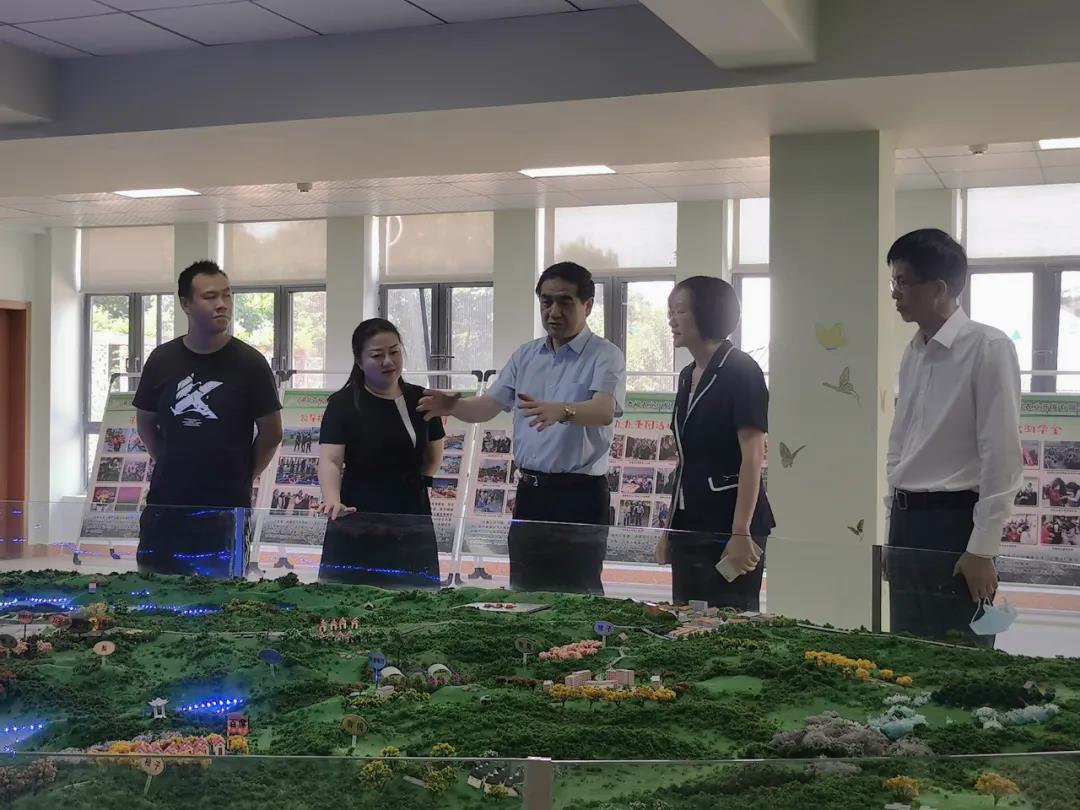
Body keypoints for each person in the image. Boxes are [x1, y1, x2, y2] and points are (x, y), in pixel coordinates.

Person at [419, 262, 625, 594]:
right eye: (546, 301)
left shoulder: (605, 355)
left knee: (580, 592)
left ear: (587, 305)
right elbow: (488, 406)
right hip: (531, 493)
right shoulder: (525, 356)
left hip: (580, 495)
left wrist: (561, 411)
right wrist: (453, 406)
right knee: (525, 589)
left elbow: (604, 411)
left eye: (565, 302)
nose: (553, 312)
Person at [886, 228, 1022, 647]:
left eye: (903, 282)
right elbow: (901, 440)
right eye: (893, 282)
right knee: (906, 647)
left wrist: (982, 548)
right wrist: (894, 518)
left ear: (940, 288)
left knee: (961, 652)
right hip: (907, 522)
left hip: (955, 523)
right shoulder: (914, 350)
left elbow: (1001, 455)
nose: (894, 293)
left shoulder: (988, 346)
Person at [134, 261, 282, 577]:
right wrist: (171, 460)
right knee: (154, 589)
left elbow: (272, 432)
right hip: (167, 504)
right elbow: (145, 424)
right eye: (210, 296)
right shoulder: (161, 360)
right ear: (186, 304)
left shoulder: (250, 363)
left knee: (223, 595)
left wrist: (244, 474)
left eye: (227, 295)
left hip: (226, 508)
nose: (222, 304)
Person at [657, 276, 775, 610]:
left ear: (707, 313)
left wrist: (741, 531)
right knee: (685, 617)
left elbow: (753, 456)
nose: (672, 320)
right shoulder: (687, 375)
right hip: (689, 521)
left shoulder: (742, 369)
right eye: (670, 311)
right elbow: (685, 460)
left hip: (729, 520)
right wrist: (669, 530)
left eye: (680, 311)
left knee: (728, 620)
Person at [317, 318, 444, 589]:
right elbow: (331, 460)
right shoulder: (342, 404)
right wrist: (332, 499)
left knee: (415, 594)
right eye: (377, 355)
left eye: (394, 351)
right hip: (358, 511)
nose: (388, 361)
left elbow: (433, 456)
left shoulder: (422, 399)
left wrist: (415, 484)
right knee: (351, 594)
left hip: (411, 512)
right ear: (359, 361)